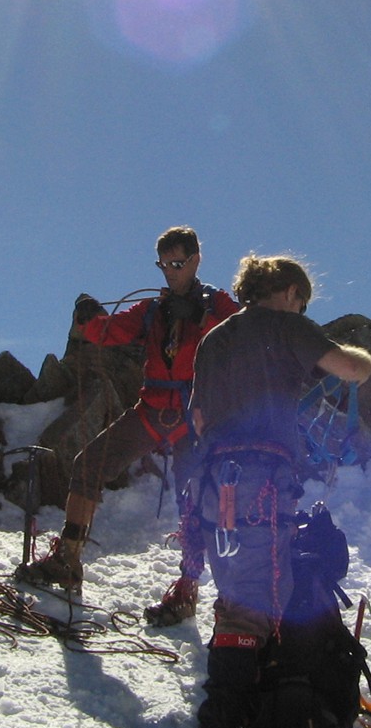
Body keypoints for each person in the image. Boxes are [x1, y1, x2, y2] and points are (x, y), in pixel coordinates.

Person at [185, 254, 371, 728]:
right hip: (262, 481)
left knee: (237, 596)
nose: (303, 306)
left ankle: (239, 719)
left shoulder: (214, 339)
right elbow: (353, 369)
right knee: (255, 604)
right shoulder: (288, 326)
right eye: (304, 299)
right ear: (289, 290)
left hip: (214, 484)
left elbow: (198, 417)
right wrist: (361, 356)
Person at [14, 226, 237, 625]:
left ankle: (188, 588)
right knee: (88, 463)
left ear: (197, 260)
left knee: (194, 498)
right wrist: (88, 317)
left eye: (178, 263)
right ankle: (68, 557)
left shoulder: (218, 306)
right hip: (152, 408)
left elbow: (243, 334)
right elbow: (111, 331)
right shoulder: (154, 309)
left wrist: (205, 321)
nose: (170, 272)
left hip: (194, 415)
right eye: (164, 264)